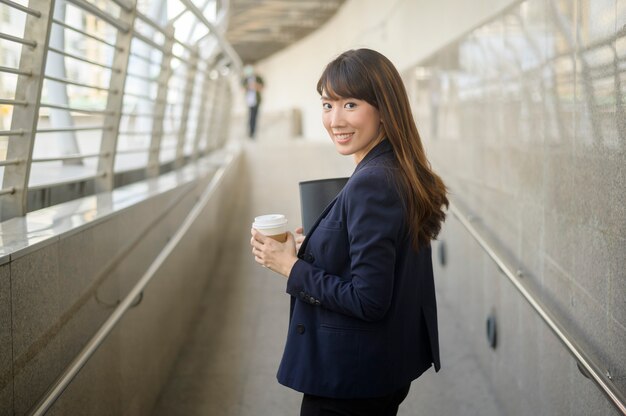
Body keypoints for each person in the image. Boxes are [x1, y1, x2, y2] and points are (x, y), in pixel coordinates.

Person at [250, 48, 448, 416]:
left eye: (351, 105)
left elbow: (369, 300)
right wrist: (316, 246)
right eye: (327, 105)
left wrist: (289, 267)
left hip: (350, 383)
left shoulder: (373, 183)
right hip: (375, 372)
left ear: (385, 110)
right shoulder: (392, 168)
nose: (335, 120)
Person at [242, 64, 264, 138]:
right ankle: (250, 132)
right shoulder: (246, 79)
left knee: (255, 116)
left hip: (256, 101)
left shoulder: (258, 78)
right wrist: (249, 86)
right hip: (249, 100)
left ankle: (253, 133)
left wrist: (255, 86)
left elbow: (262, 87)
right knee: (250, 116)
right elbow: (243, 88)